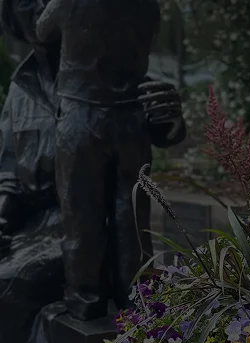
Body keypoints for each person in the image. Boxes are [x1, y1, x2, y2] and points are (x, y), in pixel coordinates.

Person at [0, 0, 186, 343]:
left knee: (11, 281)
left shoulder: (114, 65)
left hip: (87, 228)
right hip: (39, 228)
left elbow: (155, 141)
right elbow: (8, 175)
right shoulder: (20, 90)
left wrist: (169, 120)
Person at [35, 0, 163, 320]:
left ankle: (85, 300)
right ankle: (135, 299)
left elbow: (41, 31)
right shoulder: (148, 4)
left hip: (82, 114)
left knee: (82, 217)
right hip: (130, 117)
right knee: (132, 217)